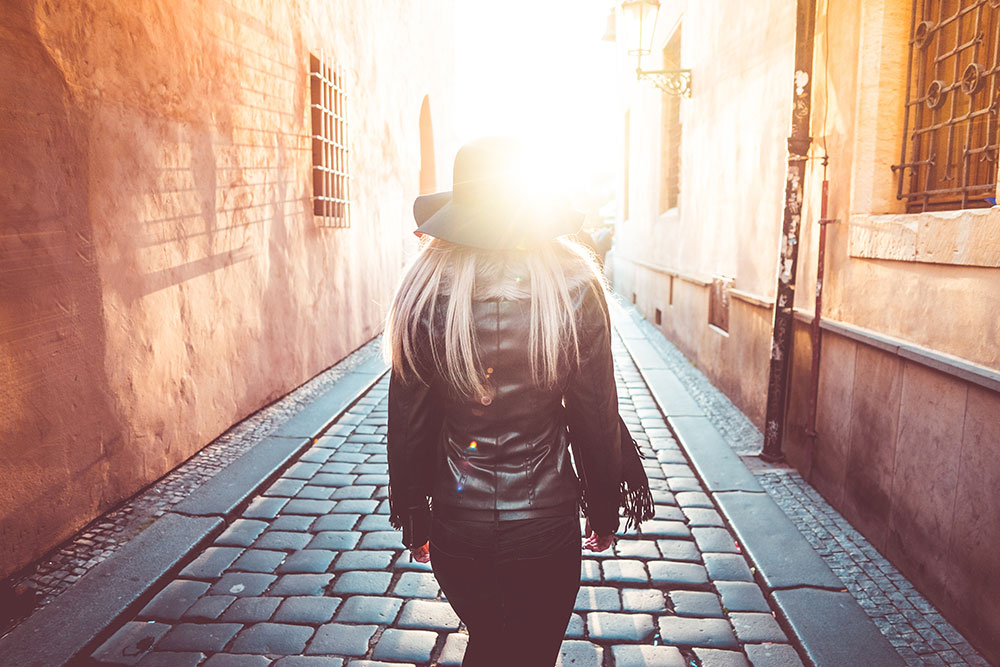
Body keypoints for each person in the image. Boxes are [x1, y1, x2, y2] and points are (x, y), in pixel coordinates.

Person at [384, 137, 651, 667]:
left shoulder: (422, 287)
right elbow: (595, 414)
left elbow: (408, 423)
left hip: (460, 528)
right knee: (530, 653)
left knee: (489, 642)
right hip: (545, 526)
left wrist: (415, 519)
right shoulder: (574, 284)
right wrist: (602, 506)